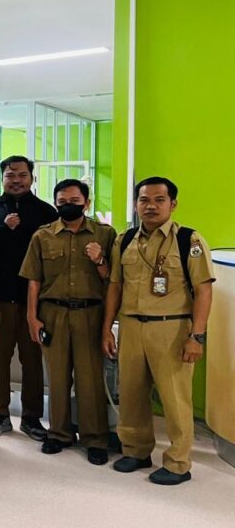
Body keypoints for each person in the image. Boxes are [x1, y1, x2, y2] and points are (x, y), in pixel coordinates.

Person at [102, 177, 215, 485]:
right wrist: (107, 328)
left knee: (175, 399)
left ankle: (178, 463)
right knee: (131, 394)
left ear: (172, 204)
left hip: (172, 328)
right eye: (144, 200)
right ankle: (136, 450)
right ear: (136, 204)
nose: (150, 206)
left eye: (159, 200)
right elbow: (115, 286)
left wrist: (197, 336)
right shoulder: (124, 239)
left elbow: (203, 291)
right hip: (131, 326)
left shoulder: (189, 240)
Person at [21, 179, 116, 465]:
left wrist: (100, 260)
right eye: (62, 202)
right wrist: (32, 317)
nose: (68, 206)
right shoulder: (43, 236)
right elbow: (34, 280)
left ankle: (95, 438)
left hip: (90, 313)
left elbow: (114, 280)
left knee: (90, 379)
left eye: (74, 201)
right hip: (54, 314)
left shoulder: (105, 234)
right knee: (57, 378)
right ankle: (59, 433)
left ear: (87, 203)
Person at [0, 155, 58, 439]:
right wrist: (3, 229)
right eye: (10, 175)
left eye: (22, 175)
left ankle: (32, 418)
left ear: (32, 178)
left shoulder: (46, 213)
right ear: (2, 179)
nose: (17, 180)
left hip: (34, 302)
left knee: (32, 361)